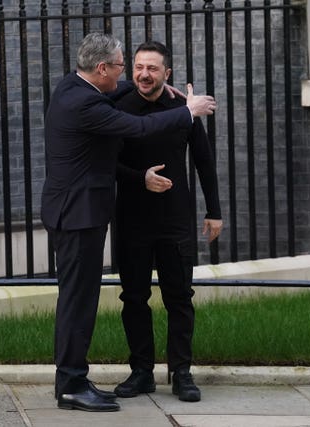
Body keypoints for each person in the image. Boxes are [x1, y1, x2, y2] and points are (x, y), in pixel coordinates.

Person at [40, 33, 216, 412]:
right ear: (102, 68)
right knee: (77, 303)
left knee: (80, 300)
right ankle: (71, 383)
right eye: (124, 67)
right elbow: (138, 128)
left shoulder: (72, 86)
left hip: (76, 213)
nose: (128, 76)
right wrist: (190, 109)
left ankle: (74, 379)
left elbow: (118, 93)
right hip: (78, 216)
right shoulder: (86, 105)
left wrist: (161, 87)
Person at [113, 41, 223, 402]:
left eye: (153, 68)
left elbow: (204, 160)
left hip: (175, 218)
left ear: (167, 74)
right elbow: (106, 165)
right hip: (131, 219)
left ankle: (182, 372)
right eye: (139, 67)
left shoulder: (182, 107)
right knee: (134, 298)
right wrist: (138, 178)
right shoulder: (118, 106)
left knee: (179, 298)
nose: (145, 74)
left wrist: (214, 211)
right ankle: (141, 372)